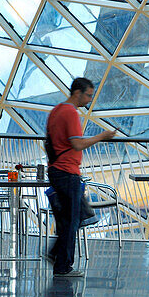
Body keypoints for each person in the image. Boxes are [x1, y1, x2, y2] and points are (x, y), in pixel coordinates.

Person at [46, 77, 116, 278]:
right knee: (71, 220)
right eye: (88, 95)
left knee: (68, 218)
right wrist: (102, 136)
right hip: (68, 172)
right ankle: (62, 266)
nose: (89, 100)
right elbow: (77, 144)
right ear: (78, 93)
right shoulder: (70, 112)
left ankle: (56, 255)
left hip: (56, 170)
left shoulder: (56, 110)